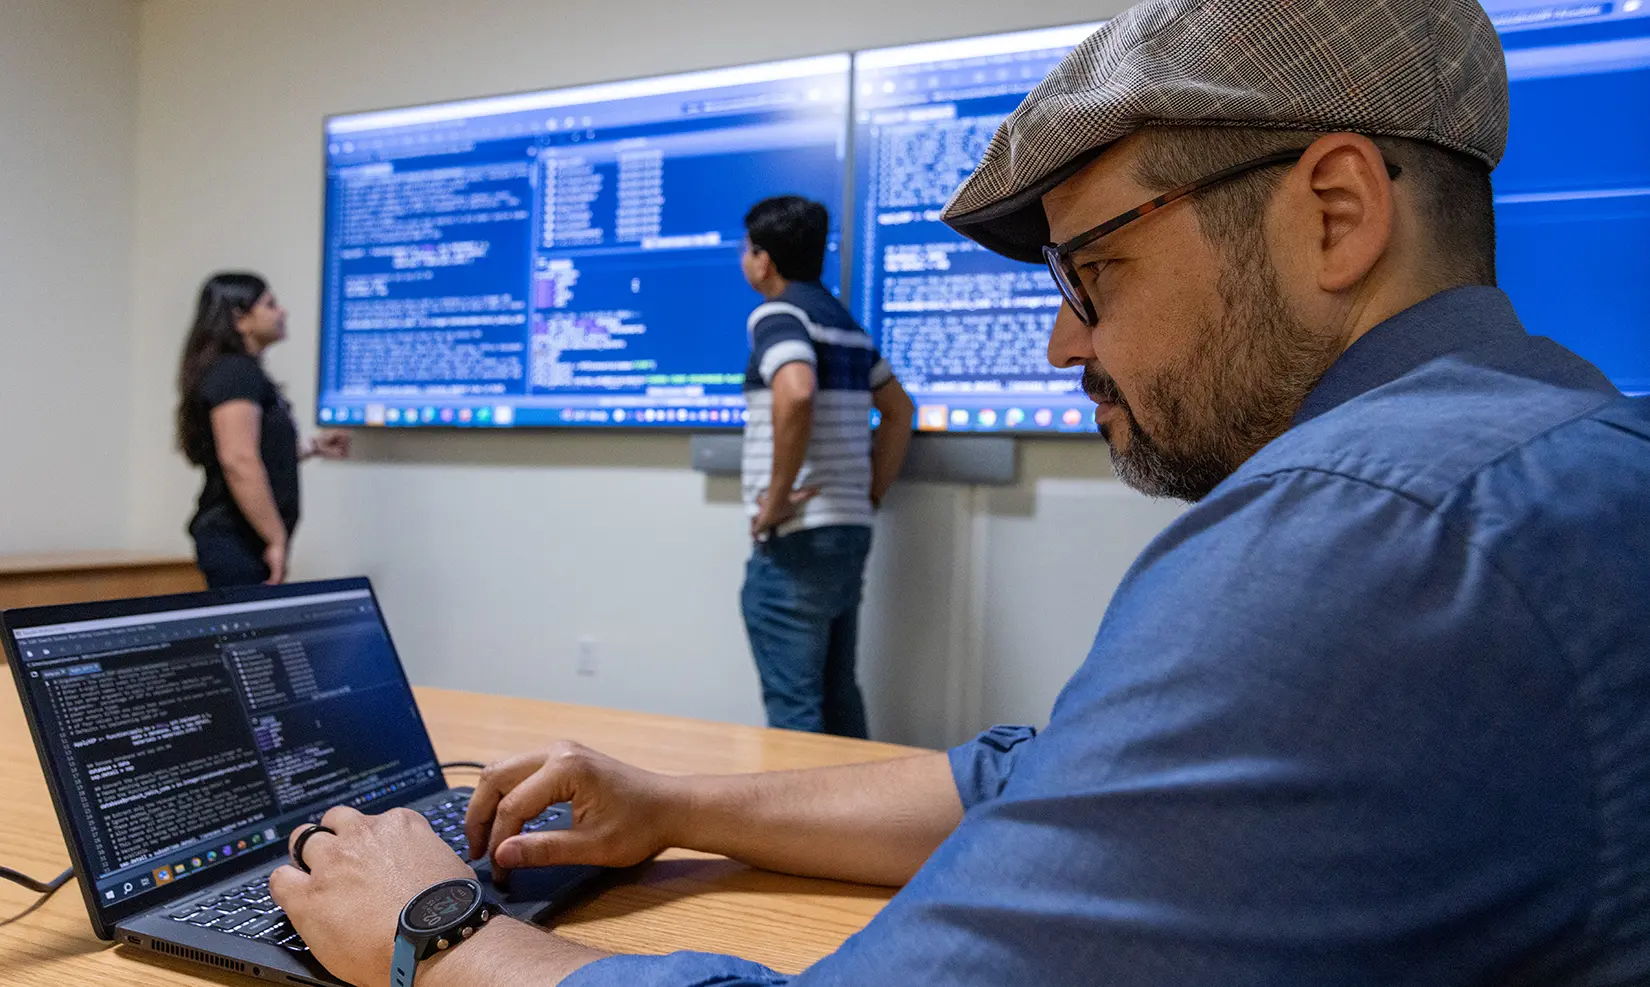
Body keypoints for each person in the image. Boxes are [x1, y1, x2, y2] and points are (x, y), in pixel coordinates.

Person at [270, 0, 1650, 982]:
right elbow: (1041, 778)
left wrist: (443, 928)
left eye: (1090, 271)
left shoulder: (1363, 533)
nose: (1061, 340)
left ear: (1334, 213)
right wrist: (673, 802)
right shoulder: (1561, 449)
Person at [736, 196, 914, 737]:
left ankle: (797, 823)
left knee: (794, 706)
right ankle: (856, 818)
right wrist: (873, 492)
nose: (744, 260)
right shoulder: (846, 326)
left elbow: (795, 391)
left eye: (746, 250)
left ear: (764, 260)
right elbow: (900, 410)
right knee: (838, 694)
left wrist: (775, 503)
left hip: (798, 538)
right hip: (849, 528)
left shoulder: (778, 315)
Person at [175, 272, 349, 587]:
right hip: (235, 541)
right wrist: (275, 538)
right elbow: (238, 460)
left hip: (242, 542)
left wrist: (312, 446)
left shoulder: (241, 373)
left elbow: (258, 450)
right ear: (240, 319)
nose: (282, 312)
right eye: (270, 304)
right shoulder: (235, 373)